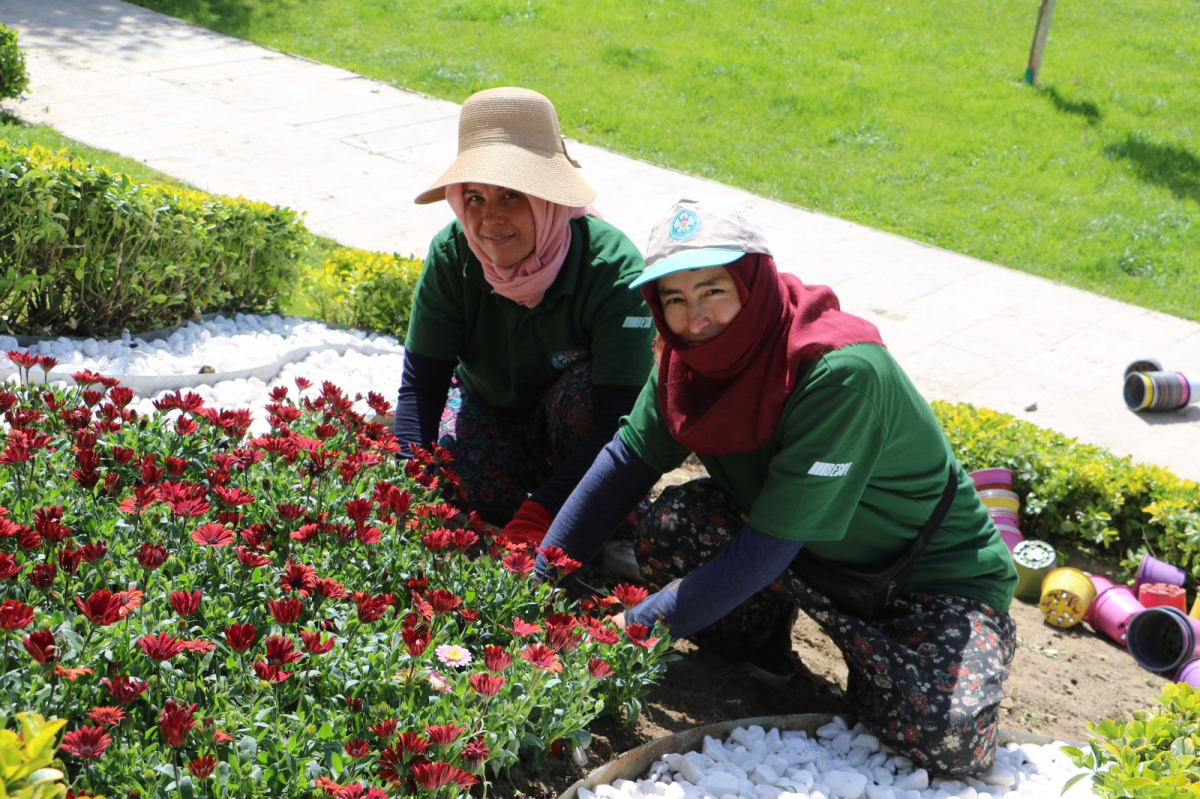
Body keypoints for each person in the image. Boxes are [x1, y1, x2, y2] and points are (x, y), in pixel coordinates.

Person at [537, 196, 1019, 777]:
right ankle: (762, 649)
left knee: (946, 742)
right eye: (674, 299)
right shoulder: (683, 361)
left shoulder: (839, 373)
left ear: (753, 282)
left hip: (925, 583)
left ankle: (877, 676)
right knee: (673, 526)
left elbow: (765, 547)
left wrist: (627, 632)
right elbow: (625, 463)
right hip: (803, 559)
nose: (696, 319)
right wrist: (537, 581)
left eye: (713, 290)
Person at [395, 87, 655, 555]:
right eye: (473, 197)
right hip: (491, 411)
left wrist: (543, 512)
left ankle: (591, 520)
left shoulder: (614, 271)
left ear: (548, 198)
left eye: (511, 195)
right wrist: (405, 482)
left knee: (585, 400)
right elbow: (421, 385)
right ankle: (541, 508)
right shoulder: (453, 255)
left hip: (579, 431)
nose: (489, 219)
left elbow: (621, 420)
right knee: (458, 487)